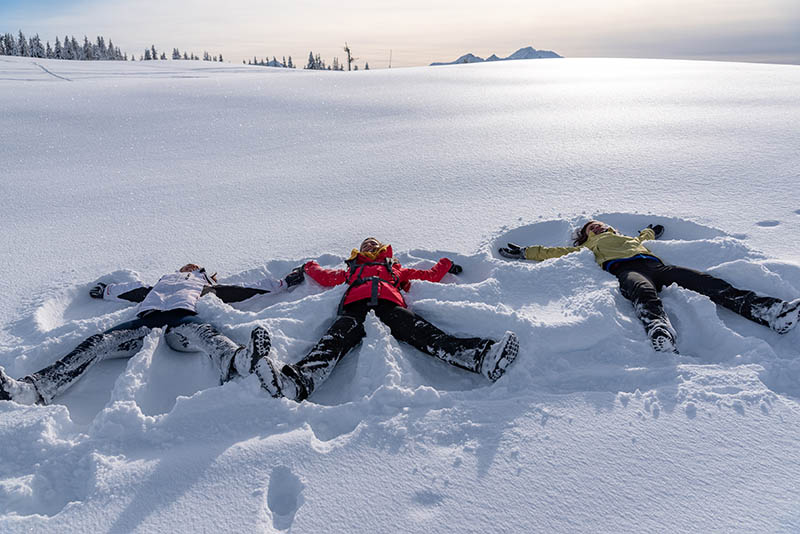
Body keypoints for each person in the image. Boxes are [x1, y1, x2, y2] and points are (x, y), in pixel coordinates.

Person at [254, 237, 519, 401]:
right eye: (364, 244)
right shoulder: (351, 270)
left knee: (427, 335)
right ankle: (296, 383)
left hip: (389, 305)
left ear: (380, 248)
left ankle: (481, 358)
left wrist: (446, 265)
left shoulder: (394, 268)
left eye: (373, 243)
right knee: (331, 343)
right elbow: (326, 277)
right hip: (355, 309)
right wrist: (309, 267)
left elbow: (427, 275)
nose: (368, 245)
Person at [0, 264, 305, 404]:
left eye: (195, 267)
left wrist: (282, 284)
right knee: (97, 343)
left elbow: (244, 290)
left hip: (182, 323)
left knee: (210, 338)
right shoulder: (161, 283)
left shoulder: (202, 284)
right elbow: (133, 292)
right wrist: (105, 290)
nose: (189, 267)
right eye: (186, 265)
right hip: (144, 324)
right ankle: (32, 390)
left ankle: (245, 361)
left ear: (203, 274)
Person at [498, 221, 800, 352]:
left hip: (657, 266)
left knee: (708, 282)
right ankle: (660, 331)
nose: (597, 227)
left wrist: (651, 230)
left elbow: (645, 237)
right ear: (586, 236)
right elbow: (554, 252)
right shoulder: (589, 247)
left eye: (600, 224)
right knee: (642, 293)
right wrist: (525, 252)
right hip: (626, 270)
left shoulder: (630, 239)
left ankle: (770, 311)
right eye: (591, 227)